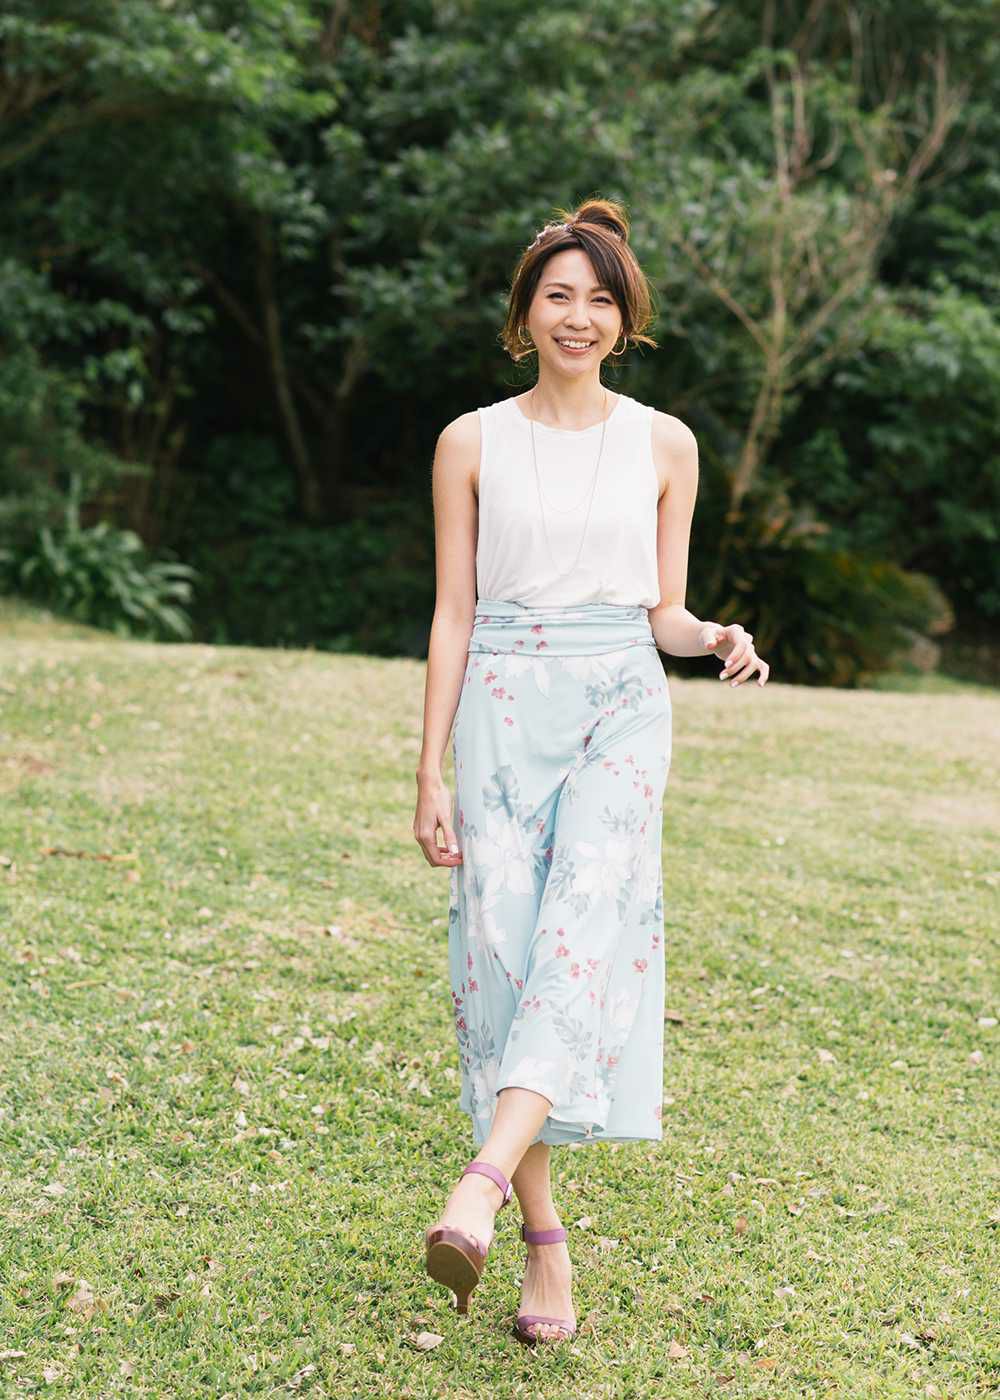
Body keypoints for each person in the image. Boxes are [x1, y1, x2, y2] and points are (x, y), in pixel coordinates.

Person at [413, 198, 769, 1345]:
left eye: (601, 299)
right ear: (524, 313)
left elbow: (662, 608)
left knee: (575, 936)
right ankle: (541, 1235)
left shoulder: (664, 443)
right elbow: (452, 611)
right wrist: (427, 768)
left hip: (621, 703)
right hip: (502, 705)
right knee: (505, 959)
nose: (579, 316)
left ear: (626, 319)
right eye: (558, 295)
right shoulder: (469, 441)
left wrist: (713, 635)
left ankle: (477, 1182)